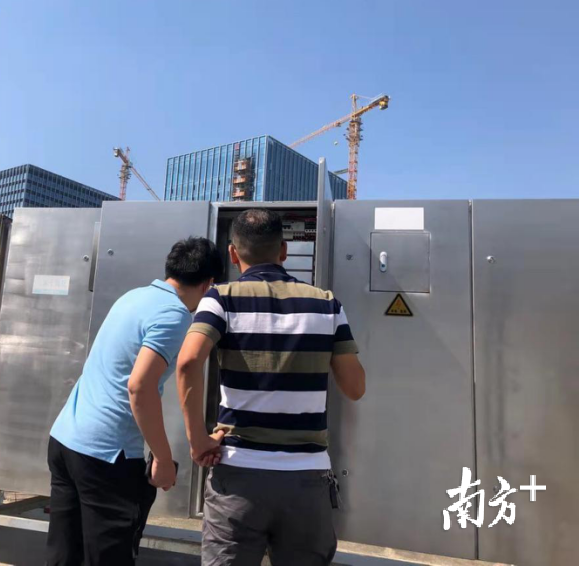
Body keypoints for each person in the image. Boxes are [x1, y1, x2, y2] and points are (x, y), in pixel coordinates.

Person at [177, 208, 366, 566]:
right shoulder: (327, 303)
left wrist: (197, 440)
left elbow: (187, 363)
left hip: (238, 475)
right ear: (283, 250)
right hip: (306, 479)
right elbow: (355, 388)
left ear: (233, 254)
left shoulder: (220, 298)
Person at [46, 237, 224, 566]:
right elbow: (139, 387)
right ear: (208, 284)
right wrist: (163, 460)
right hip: (106, 455)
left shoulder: (134, 296)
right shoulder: (175, 315)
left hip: (65, 440)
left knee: (64, 556)